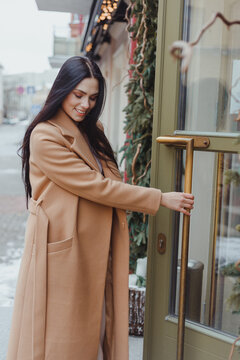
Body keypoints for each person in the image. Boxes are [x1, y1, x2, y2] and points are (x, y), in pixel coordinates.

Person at [6, 56, 194, 360]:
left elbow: (106, 181)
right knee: (61, 340)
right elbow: (96, 186)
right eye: (78, 95)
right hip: (64, 248)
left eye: (93, 98)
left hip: (96, 243)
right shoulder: (45, 135)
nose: (85, 104)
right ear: (62, 90)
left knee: (94, 331)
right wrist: (159, 198)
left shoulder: (93, 131)